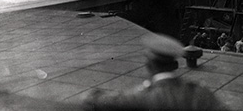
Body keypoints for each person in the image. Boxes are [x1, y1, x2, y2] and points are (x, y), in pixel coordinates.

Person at [85, 33, 228, 111]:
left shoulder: (143, 96)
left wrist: (94, 95)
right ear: (175, 64)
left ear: (149, 64)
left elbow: (98, 100)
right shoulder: (198, 92)